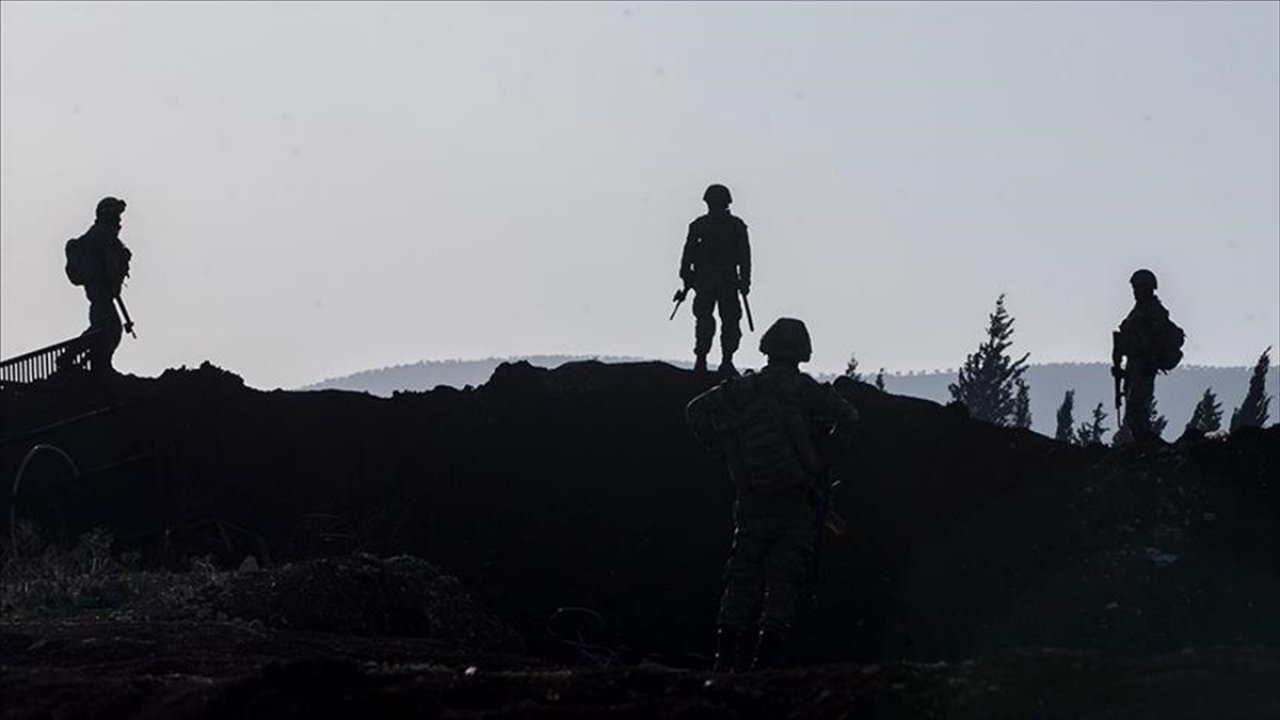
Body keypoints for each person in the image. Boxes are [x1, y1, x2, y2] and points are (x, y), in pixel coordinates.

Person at [686, 318, 859, 671]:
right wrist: (823, 455)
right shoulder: (808, 392)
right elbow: (850, 418)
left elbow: (696, 411)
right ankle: (764, 666)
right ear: (802, 350)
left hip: (753, 500)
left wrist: (725, 450)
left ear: (768, 346)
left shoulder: (745, 389)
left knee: (740, 579)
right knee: (783, 583)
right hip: (797, 502)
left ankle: (725, 663)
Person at [678, 184, 751, 375]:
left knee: (722, 320)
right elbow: (688, 254)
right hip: (714, 280)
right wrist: (744, 280)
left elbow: (744, 256)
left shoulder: (705, 225)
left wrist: (745, 280)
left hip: (717, 280)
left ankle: (716, 360)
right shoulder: (727, 226)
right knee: (716, 320)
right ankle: (710, 359)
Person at [1111, 269, 1183, 444]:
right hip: (1134, 366)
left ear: (1148, 288)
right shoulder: (1139, 311)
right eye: (1135, 288)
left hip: (1144, 366)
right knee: (1133, 412)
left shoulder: (1154, 312)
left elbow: (1153, 341)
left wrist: (1148, 359)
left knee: (1138, 412)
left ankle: (1147, 448)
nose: (1136, 292)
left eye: (1139, 288)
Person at [65, 196, 132, 375]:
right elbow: (107, 264)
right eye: (116, 214)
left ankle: (98, 366)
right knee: (107, 329)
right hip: (100, 295)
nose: (119, 219)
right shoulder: (101, 235)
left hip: (103, 295)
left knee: (106, 330)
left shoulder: (105, 236)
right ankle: (73, 358)